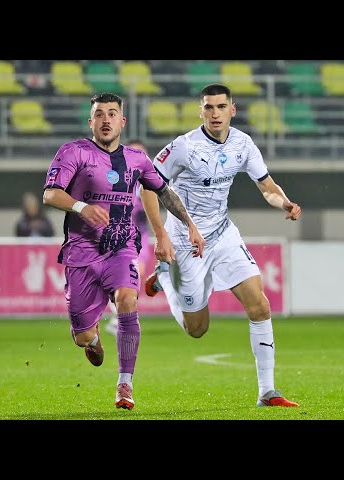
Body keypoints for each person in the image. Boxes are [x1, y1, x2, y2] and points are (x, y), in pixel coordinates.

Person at [142, 83, 302, 407]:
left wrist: (283, 202)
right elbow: (147, 184)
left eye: (221, 107)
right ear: (200, 111)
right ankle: (165, 278)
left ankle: (267, 391)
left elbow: (267, 185)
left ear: (232, 109)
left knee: (260, 305)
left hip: (223, 235)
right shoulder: (184, 147)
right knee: (197, 329)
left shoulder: (243, 144)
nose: (215, 113)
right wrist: (161, 234)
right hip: (186, 243)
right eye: (209, 107)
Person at [43, 92, 205, 410]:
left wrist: (189, 225)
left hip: (122, 246)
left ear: (122, 121)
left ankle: (125, 384)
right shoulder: (73, 152)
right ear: (91, 121)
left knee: (127, 298)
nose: (106, 120)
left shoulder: (137, 159)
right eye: (99, 114)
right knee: (82, 336)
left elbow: (163, 191)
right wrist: (81, 207)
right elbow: (50, 194)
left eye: (112, 114)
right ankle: (92, 338)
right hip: (82, 253)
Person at [105, 139, 152, 337]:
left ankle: (121, 318)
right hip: (117, 238)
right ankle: (119, 317)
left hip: (140, 238)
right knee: (116, 281)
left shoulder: (150, 180)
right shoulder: (113, 176)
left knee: (135, 275)